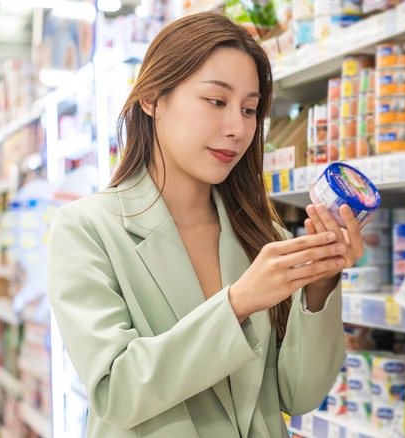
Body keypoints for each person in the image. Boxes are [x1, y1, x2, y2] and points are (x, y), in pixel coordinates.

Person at [48, 11, 366, 438]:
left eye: (250, 109)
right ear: (153, 99)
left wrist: (319, 285)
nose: (237, 128)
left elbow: (299, 395)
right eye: (216, 102)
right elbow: (116, 390)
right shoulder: (86, 229)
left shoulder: (261, 233)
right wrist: (237, 304)